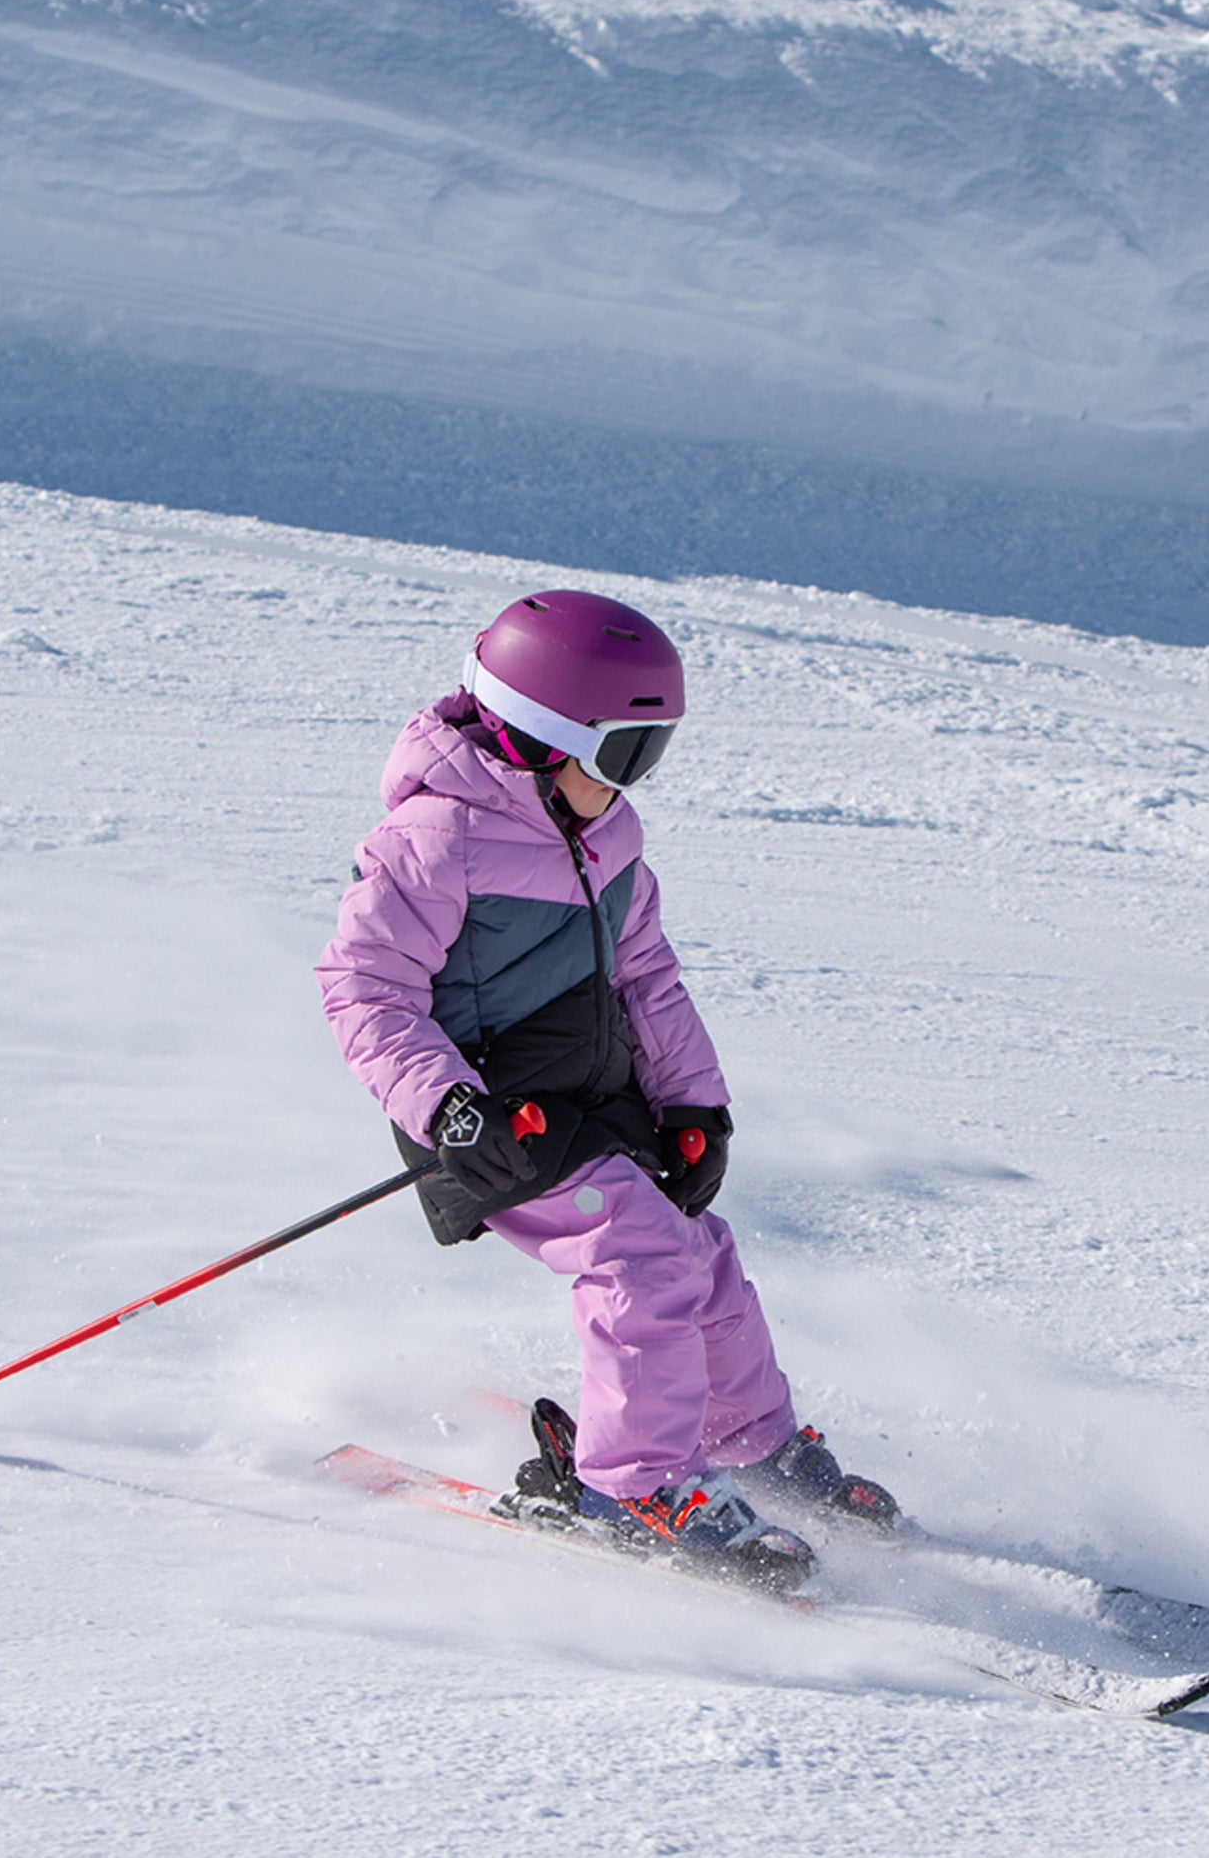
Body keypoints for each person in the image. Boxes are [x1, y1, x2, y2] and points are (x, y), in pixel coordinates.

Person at [316, 589, 897, 1592]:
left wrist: (693, 1107)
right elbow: (364, 988)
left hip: (598, 1092)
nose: (635, 781)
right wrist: (449, 1107)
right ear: (539, 739)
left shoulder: (607, 835)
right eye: (624, 753)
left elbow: (647, 979)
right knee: (640, 1256)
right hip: (495, 1115)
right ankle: (632, 1486)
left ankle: (749, 1443)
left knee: (698, 1251)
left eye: (651, 753)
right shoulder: (435, 839)